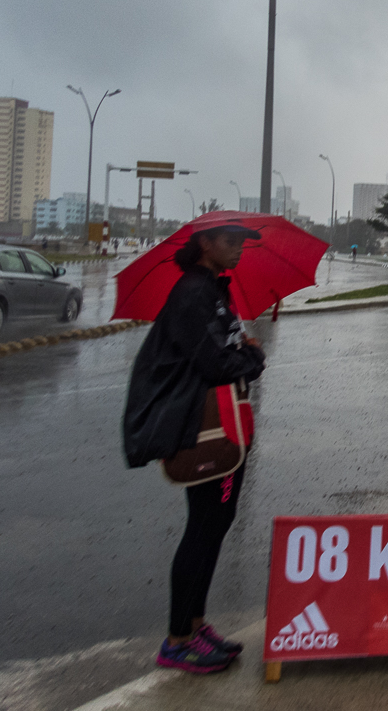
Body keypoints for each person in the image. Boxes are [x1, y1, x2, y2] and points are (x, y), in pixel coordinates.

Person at [123, 223, 267, 674]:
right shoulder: (192, 294)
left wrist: (242, 345)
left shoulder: (214, 291)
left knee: (217, 521)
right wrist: (254, 358)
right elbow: (213, 363)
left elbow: (221, 348)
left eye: (243, 242)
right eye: (231, 241)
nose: (239, 249)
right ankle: (177, 639)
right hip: (201, 430)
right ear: (205, 244)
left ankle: (197, 622)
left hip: (222, 426)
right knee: (203, 526)